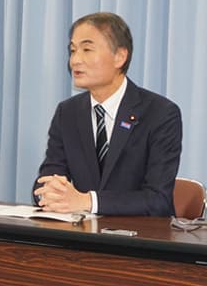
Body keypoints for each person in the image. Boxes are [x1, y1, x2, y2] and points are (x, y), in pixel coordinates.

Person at [33, 12, 182, 216]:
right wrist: (49, 192)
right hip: (82, 231)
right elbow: (49, 177)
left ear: (120, 57)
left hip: (140, 233)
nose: (75, 60)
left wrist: (88, 201)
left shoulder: (160, 114)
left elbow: (157, 200)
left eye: (87, 49)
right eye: (73, 50)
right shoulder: (67, 112)